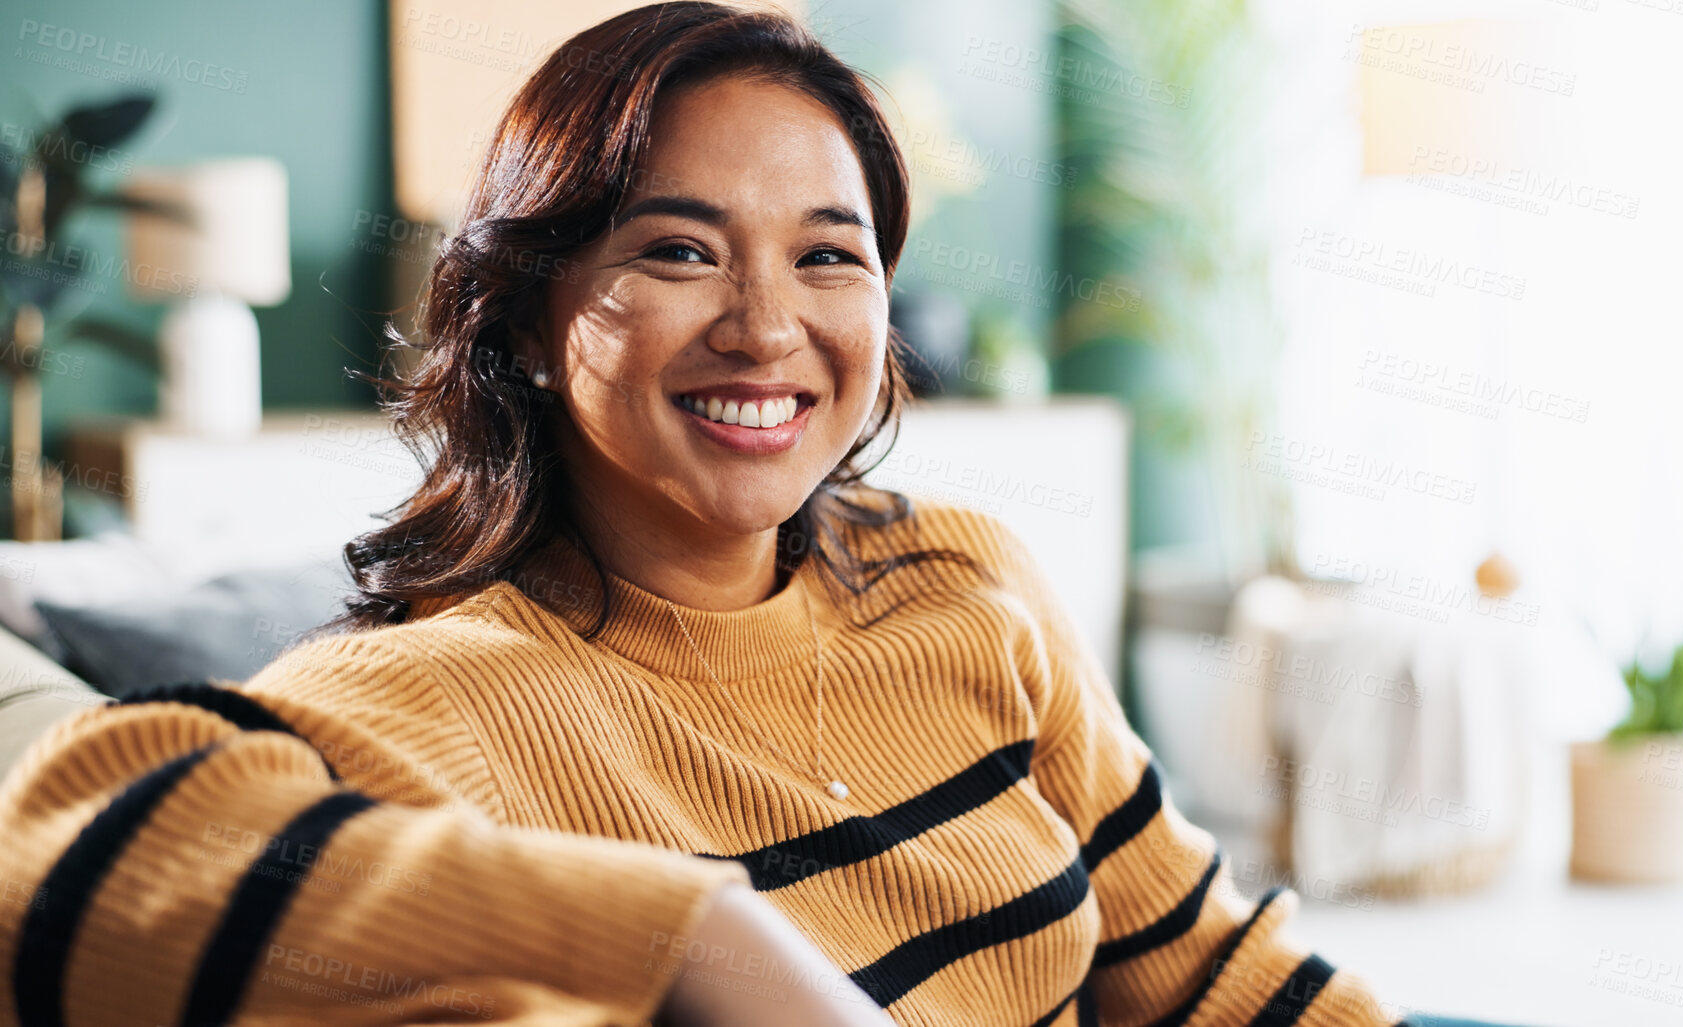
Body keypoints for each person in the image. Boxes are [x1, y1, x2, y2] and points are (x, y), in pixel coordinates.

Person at [0, 4, 1509, 1024]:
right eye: (677, 251)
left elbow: (1213, 975)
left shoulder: (964, 580)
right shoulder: (428, 703)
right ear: (530, 317)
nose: (765, 328)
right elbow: (49, 862)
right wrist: (697, 939)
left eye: (828, 257)